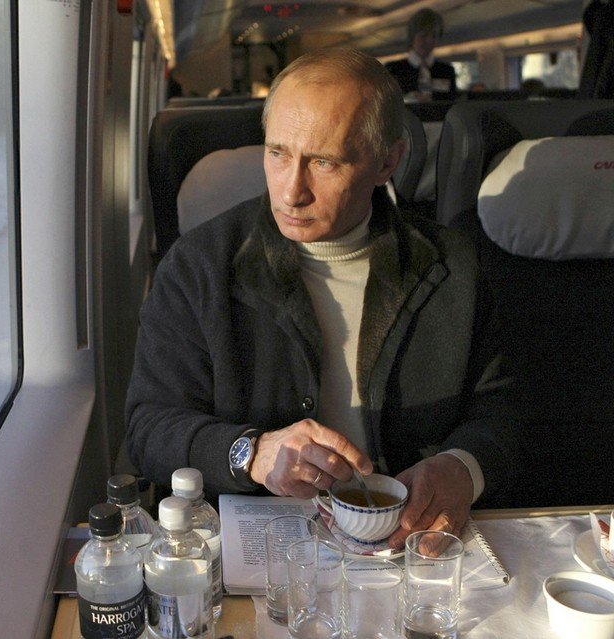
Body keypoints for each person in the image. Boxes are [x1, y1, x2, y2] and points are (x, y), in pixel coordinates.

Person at [125, 47, 517, 549]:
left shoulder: (456, 267)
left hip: (414, 542)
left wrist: (461, 468)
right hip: (269, 546)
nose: (292, 191)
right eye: (277, 154)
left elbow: (503, 411)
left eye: (324, 162)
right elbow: (149, 428)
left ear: (388, 161)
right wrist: (253, 453)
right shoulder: (198, 267)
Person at [385, 9, 457, 101]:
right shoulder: (393, 70)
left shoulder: (446, 71)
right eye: (424, 35)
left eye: (434, 36)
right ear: (412, 36)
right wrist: (408, 99)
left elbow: (452, 103)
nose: (429, 40)